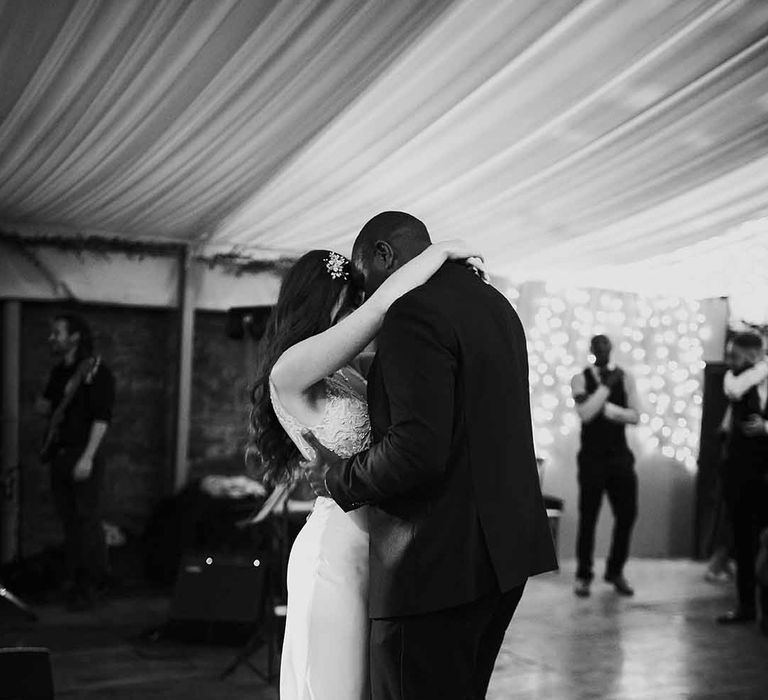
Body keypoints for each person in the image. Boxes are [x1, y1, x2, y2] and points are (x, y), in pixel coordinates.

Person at [303, 211, 558, 699]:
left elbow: (417, 450)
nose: (364, 297)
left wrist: (337, 478)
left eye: (362, 280)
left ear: (384, 255)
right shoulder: (497, 305)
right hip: (502, 559)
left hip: (434, 567)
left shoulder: (411, 312)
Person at [249, 238, 488, 699]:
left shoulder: (350, 373)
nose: (354, 315)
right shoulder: (289, 370)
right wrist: (435, 256)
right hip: (334, 551)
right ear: (317, 306)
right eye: (345, 306)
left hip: (377, 546)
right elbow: (379, 310)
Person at [36, 313, 115, 609]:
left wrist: (88, 457)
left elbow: (101, 418)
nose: (52, 338)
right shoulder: (60, 373)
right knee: (69, 521)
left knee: (87, 519)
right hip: (60, 453)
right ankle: (74, 581)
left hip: (83, 453)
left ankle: (92, 584)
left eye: (57, 332)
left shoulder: (96, 372)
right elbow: (44, 407)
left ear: (75, 336)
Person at [570, 334, 640, 598]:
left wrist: (603, 406)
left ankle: (615, 569)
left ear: (611, 349)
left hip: (620, 456)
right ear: (591, 350)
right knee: (588, 516)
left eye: (605, 346)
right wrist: (606, 390)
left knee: (628, 513)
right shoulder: (579, 378)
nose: (601, 350)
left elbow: (635, 416)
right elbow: (586, 415)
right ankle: (583, 575)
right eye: (597, 347)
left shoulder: (625, 377)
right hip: (591, 458)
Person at [716, 331, 768, 633]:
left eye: (734, 356)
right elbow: (733, 392)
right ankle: (746, 605)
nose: (729, 361)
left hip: (764, 470)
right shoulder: (736, 379)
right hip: (738, 470)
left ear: (750, 355)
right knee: (743, 541)